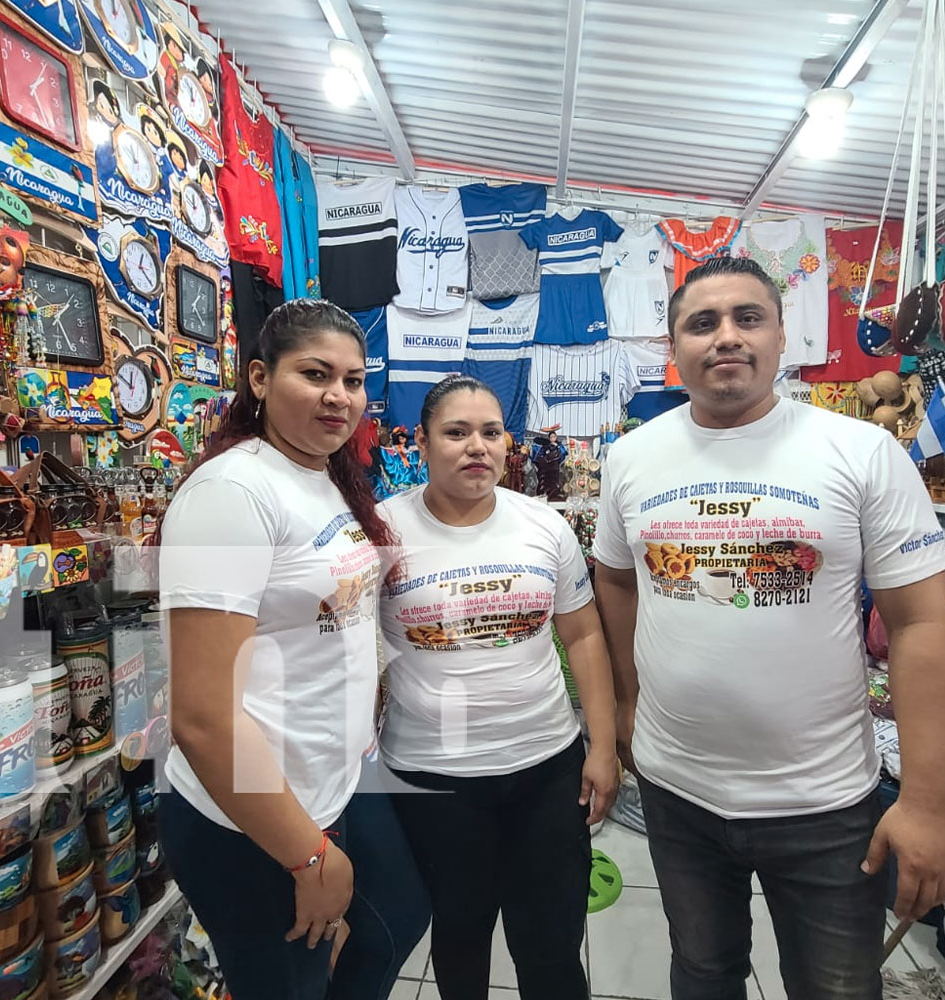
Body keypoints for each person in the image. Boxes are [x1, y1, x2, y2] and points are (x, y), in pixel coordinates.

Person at [591, 256, 945, 1000]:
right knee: (703, 970)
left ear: (781, 335)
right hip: (678, 790)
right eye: (703, 323)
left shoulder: (862, 452)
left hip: (823, 805)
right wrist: (629, 699)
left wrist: (926, 804)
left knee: (836, 988)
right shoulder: (630, 457)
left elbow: (921, 624)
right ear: (675, 348)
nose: (726, 337)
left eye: (747, 318)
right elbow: (616, 579)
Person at [159, 300, 429, 1000]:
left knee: (397, 914)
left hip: (333, 779)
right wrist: (307, 855)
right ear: (258, 378)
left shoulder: (322, 476)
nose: (339, 396)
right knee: (289, 984)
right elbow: (202, 717)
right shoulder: (231, 493)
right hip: (248, 818)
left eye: (353, 379)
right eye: (315, 374)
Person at [379, 376, 617, 1000]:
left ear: (508, 442)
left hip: (544, 768)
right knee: (459, 940)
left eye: (490, 432)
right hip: (433, 779)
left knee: (551, 943)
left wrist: (603, 744)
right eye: (455, 433)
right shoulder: (379, 532)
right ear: (422, 445)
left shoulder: (544, 525)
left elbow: (584, 636)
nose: (476, 446)